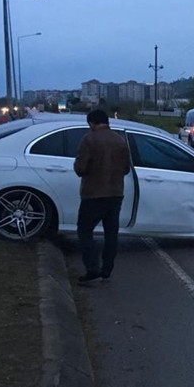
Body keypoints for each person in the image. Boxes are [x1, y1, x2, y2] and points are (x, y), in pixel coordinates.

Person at [74, 110, 131, 282]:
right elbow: (126, 169)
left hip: (93, 193)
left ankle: (92, 268)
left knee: (84, 231)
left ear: (92, 122)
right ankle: (107, 269)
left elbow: (80, 169)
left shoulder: (88, 140)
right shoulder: (120, 141)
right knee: (111, 233)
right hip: (115, 193)